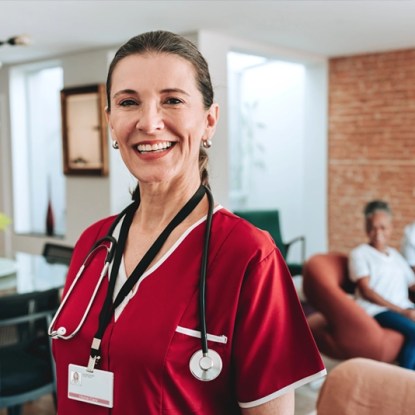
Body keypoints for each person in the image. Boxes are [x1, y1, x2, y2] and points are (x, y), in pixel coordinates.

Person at [51, 30, 325, 414]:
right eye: (129, 102)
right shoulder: (92, 243)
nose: (149, 122)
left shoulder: (248, 256)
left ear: (210, 120)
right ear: (111, 121)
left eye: (172, 100)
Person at [349, 200, 415, 369]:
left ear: (391, 228)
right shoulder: (359, 254)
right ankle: (405, 382)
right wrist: (402, 312)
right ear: (366, 228)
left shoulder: (395, 255)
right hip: (377, 310)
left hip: (402, 308)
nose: (378, 232)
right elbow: (366, 291)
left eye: (383, 227)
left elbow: (412, 284)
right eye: (373, 227)